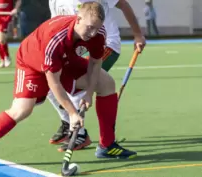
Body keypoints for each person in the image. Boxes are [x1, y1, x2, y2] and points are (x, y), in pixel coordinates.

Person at [0, 2, 137, 170]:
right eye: (89, 28)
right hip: (31, 62)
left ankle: (107, 145)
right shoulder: (55, 38)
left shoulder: (97, 33)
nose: (92, 33)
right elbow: (54, 82)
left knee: (106, 83)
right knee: (21, 110)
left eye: (96, 28)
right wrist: (73, 114)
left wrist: (88, 94)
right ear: (78, 18)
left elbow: (95, 64)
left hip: (65, 59)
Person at [48, 0, 146, 152]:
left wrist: (138, 35)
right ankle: (67, 121)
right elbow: (56, 23)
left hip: (106, 44)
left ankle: (80, 135)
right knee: (49, 86)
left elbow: (124, 5)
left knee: (78, 85)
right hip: (75, 49)